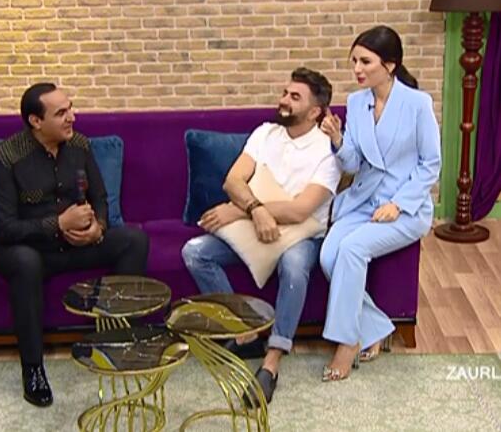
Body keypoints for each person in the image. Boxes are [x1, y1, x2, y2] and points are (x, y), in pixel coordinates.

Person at [181, 67, 341, 403]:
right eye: (284, 93)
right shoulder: (265, 133)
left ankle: (272, 361)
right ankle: (245, 334)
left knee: (293, 266)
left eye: (294, 97)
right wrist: (255, 211)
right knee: (195, 252)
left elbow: (300, 211)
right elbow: (233, 180)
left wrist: (242, 210)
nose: (283, 100)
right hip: (255, 224)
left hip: (302, 234)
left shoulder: (327, 150)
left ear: (315, 111)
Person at [0, 83, 149, 407]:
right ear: (35, 121)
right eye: (61, 113)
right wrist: (57, 224)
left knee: (134, 240)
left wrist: (98, 229)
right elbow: (4, 229)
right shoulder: (5, 159)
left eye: (70, 108)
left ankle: (117, 344)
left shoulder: (79, 145)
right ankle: (33, 370)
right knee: (24, 262)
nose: (72, 117)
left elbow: (99, 197)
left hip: (77, 245)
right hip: (31, 249)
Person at [319, 25, 441, 381]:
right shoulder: (357, 103)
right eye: (354, 61)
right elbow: (355, 163)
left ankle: (346, 342)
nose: (357, 69)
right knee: (328, 256)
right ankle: (375, 327)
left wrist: (399, 204)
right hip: (363, 201)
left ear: (389, 65)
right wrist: (338, 139)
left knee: (352, 249)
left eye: (365, 61)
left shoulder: (417, 104)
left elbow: (430, 163)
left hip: (405, 208)